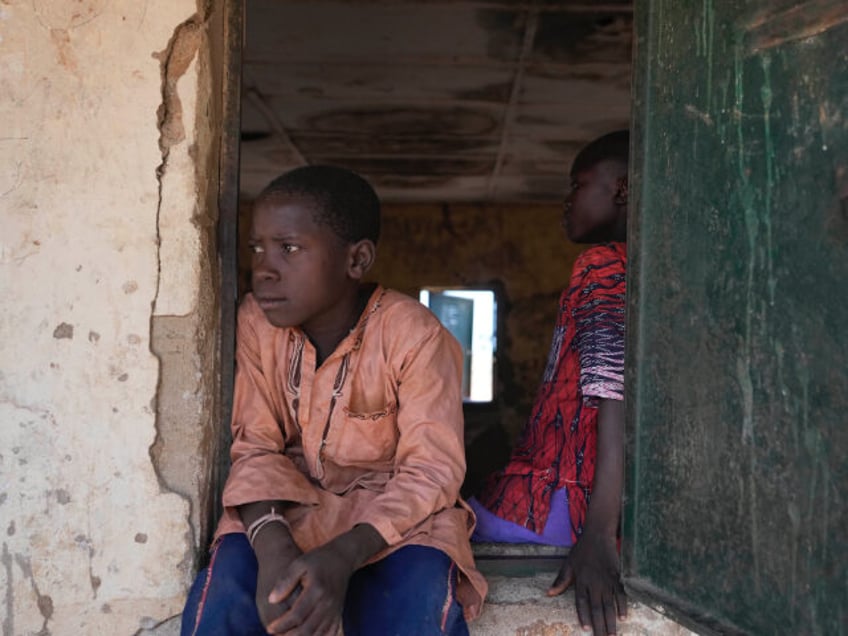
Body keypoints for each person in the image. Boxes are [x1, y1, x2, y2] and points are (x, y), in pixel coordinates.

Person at [181, 165, 487, 636]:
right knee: (227, 596)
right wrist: (272, 547)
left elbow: (433, 471)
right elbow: (256, 446)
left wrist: (344, 555)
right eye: (258, 248)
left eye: (289, 248)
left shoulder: (414, 335)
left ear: (357, 260)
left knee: (418, 600)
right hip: (287, 511)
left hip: (396, 520)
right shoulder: (256, 323)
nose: (264, 268)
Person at [469, 130, 629, 636]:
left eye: (578, 185)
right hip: (572, 503)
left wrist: (598, 535)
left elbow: (612, 394)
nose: (566, 202)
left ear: (621, 190)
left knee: (425, 527)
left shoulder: (602, 266)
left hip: (554, 506)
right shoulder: (646, 269)